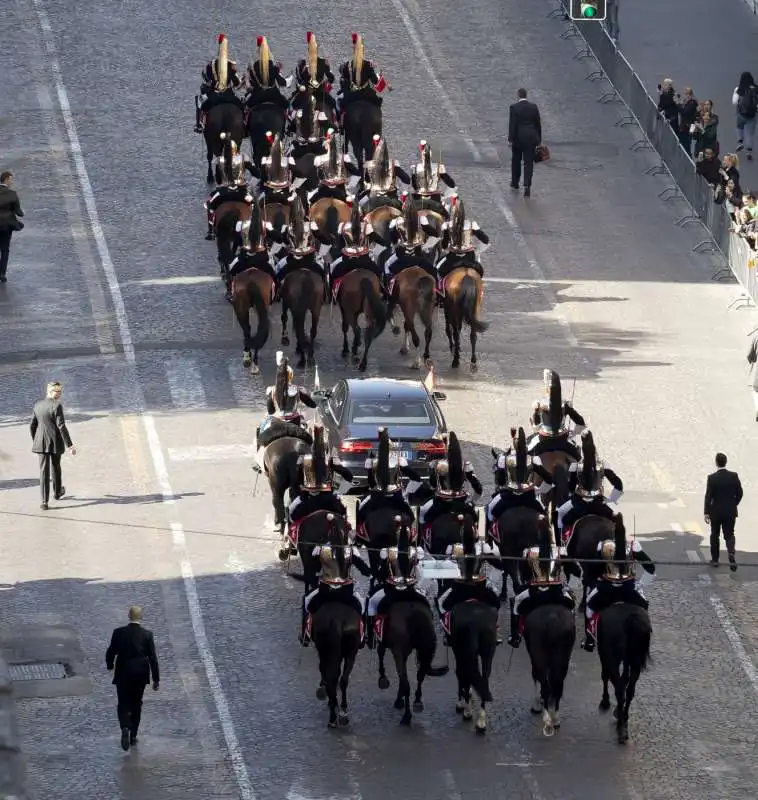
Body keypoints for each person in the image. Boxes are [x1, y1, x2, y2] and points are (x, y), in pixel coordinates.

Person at [582, 523, 650, 652]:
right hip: (629, 589)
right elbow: (651, 568)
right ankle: (646, 634)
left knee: (589, 608)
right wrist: (641, 584)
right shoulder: (633, 546)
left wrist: (594, 581)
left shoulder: (602, 546)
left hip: (606, 588)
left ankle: (589, 641)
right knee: (644, 606)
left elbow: (595, 568)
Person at [301, 525, 370, 645]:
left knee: (306, 602)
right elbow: (364, 570)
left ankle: (305, 635)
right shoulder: (350, 550)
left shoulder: (320, 549)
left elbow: (313, 568)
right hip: (346, 592)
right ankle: (363, 636)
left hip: (325, 591)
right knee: (362, 607)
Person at [365, 519, 428, 649]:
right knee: (426, 607)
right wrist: (419, 586)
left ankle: (370, 638)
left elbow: (381, 573)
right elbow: (420, 572)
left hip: (391, 590)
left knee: (371, 603)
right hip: (411, 589)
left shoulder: (386, 552)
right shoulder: (417, 551)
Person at [105, 606, 159, 751]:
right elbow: (153, 658)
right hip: (140, 674)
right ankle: (133, 735)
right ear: (140, 617)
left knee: (122, 703)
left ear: (128, 616)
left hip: (123, 673)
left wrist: (110, 665)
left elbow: (111, 651)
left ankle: (124, 727)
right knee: (136, 703)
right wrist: (156, 679)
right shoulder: (147, 635)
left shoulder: (118, 633)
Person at [508, 534, 574, 649]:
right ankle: (573, 634)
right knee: (571, 604)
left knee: (517, 602)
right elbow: (571, 567)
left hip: (535, 589)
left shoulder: (529, 552)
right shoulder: (560, 550)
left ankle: (515, 636)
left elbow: (524, 574)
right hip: (556, 589)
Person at [253, 352, 316, 473]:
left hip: (277, 423)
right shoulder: (298, 390)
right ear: (291, 376)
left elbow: (270, 410)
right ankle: (310, 460)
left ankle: (259, 460)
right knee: (310, 438)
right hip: (295, 423)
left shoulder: (272, 390)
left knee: (260, 431)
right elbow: (311, 404)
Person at [557, 430, 623, 541]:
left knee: (561, 515)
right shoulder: (603, 465)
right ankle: (619, 544)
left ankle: (561, 543)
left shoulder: (575, 466)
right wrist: (612, 499)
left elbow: (571, 487)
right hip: (599, 504)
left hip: (579, 504)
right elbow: (618, 484)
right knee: (616, 519)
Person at [355, 427, 420, 535]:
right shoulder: (399, 460)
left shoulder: (373, 462)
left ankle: (359, 534)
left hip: (377, 495)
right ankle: (412, 533)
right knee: (411, 514)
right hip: (396, 494)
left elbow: (371, 483)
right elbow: (416, 478)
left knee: (361, 509)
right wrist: (408, 491)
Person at [486, 427, 553, 527]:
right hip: (529, 497)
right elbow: (549, 479)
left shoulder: (505, 459)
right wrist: (540, 490)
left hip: (508, 496)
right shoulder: (533, 459)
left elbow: (500, 481)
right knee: (544, 518)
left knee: (489, 511)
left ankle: (487, 539)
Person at [418, 431, 482, 530]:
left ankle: (422, 540)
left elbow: (433, 485)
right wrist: (472, 502)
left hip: (440, 503)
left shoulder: (435, 464)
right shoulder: (465, 464)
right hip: (460, 502)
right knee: (476, 519)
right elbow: (478, 488)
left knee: (422, 514)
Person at [289, 426, 351, 527]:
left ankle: (290, 538)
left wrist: (300, 486)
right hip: (328, 496)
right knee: (342, 514)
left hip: (307, 496)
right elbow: (348, 475)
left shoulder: (302, 459)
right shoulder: (331, 459)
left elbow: (296, 479)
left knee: (291, 511)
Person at [30, 381, 76, 510]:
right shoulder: (57, 406)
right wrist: (70, 445)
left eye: (60, 391)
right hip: (55, 442)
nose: (59, 393)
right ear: (50, 392)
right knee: (56, 467)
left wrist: (36, 440)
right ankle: (57, 493)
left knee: (43, 471)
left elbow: (32, 425)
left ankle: (44, 502)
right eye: (57, 391)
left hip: (40, 442)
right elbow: (61, 426)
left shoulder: (37, 405)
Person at [336, 33, 391, 131]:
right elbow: (375, 81)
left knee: (339, 102)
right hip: (367, 94)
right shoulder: (368, 65)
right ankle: (377, 126)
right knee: (378, 102)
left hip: (352, 95)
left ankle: (341, 125)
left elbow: (344, 80)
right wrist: (380, 76)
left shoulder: (347, 65)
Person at [527, 369, 585, 458]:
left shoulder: (540, 405)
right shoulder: (565, 406)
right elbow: (581, 422)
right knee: (579, 459)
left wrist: (535, 412)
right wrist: (572, 435)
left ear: (546, 390)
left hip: (543, 442)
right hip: (562, 441)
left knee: (526, 455)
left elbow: (536, 426)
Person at [329, 201, 384, 294]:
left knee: (332, 269)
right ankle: (383, 291)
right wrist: (375, 251)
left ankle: (332, 293)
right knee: (379, 272)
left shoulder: (342, 226)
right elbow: (380, 241)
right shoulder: (367, 226)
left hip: (346, 260)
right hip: (365, 260)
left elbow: (339, 245)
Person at [204, 143, 255, 241]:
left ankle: (210, 232)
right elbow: (254, 172)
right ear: (236, 149)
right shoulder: (243, 158)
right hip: (241, 192)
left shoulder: (220, 160)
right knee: (254, 204)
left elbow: (218, 180)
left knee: (210, 204)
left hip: (224, 192)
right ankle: (254, 227)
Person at [195, 34, 244, 133]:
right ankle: (244, 126)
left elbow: (207, 82)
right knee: (242, 107)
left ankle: (199, 125)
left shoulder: (210, 65)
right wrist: (242, 81)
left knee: (199, 101)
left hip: (214, 96)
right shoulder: (231, 65)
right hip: (229, 96)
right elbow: (237, 84)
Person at [384, 194, 438, 283]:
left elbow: (392, 238)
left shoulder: (396, 221)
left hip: (401, 256)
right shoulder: (422, 219)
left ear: (403, 208)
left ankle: (388, 290)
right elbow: (433, 233)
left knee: (387, 266)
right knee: (434, 269)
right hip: (418, 255)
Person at [435, 194, 489, 283]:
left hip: (453, 258)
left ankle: (440, 289)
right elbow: (485, 240)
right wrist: (477, 250)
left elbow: (444, 246)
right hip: (469, 257)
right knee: (479, 275)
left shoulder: (448, 226)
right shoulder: (472, 224)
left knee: (437, 268)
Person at [273, 196, 325, 286]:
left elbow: (284, 243)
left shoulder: (286, 227)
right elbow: (324, 240)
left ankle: (276, 297)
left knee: (276, 273)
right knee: (324, 276)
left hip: (291, 261)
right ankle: (328, 296)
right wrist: (321, 253)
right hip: (310, 260)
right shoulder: (311, 225)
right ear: (304, 210)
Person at [704, 452, 743, 571]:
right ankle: (731, 553)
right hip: (730, 511)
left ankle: (715, 560)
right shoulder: (733, 476)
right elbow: (740, 493)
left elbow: (708, 496)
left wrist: (706, 512)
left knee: (715, 535)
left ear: (716, 463)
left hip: (715, 512)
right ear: (726, 462)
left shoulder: (712, 478)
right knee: (729, 534)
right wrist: (733, 504)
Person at [226, 209, 277, 295]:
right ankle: (275, 292)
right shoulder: (266, 224)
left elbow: (237, 240)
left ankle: (230, 291)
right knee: (274, 273)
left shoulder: (241, 224)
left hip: (244, 258)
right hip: (262, 259)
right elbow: (277, 237)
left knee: (231, 270)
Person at [291, 32, 336, 120]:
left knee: (293, 105)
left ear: (308, 49)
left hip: (306, 94)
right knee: (333, 104)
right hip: (320, 93)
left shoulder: (303, 63)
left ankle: (291, 127)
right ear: (317, 49)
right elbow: (331, 79)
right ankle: (336, 124)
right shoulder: (323, 62)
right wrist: (325, 79)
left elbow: (300, 81)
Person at [308, 129, 358, 206]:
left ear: (326, 147)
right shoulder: (344, 158)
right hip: (340, 191)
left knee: (310, 201)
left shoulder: (318, 159)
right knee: (353, 206)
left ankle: (307, 217)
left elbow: (313, 176)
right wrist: (350, 186)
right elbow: (356, 174)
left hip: (323, 191)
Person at [358, 137, 410, 211]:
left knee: (361, 209)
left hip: (374, 199)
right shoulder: (393, 165)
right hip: (391, 199)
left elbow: (366, 181)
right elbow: (407, 180)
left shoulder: (368, 166)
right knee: (402, 211)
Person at [508, 88, 542, 197]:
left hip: (518, 139)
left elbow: (512, 125)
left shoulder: (514, 108)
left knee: (516, 161)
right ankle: (527, 185)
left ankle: (515, 182)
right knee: (528, 163)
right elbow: (538, 124)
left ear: (518, 95)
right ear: (526, 95)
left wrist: (510, 139)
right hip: (531, 138)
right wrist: (539, 139)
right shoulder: (533, 107)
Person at [245, 35, 292, 112]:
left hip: (258, 95)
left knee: (246, 108)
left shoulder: (255, 67)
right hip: (274, 94)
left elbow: (253, 83)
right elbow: (281, 82)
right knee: (287, 105)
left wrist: (250, 73)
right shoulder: (274, 67)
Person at [409, 139, 456, 217]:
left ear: (421, 154)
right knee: (446, 218)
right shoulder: (439, 167)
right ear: (431, 155)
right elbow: (451, 184)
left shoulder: (416, 168)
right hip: (435, 199)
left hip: (419, 200)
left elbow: (415, 186)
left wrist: (413, 174)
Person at [0, 171, 24, 283]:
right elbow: (18, 212)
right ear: (7, 180)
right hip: (6, 226)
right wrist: (21, 213)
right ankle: (2, 274)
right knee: (5, 250)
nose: (12, 181)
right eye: (11, 179)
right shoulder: (12, 194)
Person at [733, 72, 757, 162]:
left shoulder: (739, 89)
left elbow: (734, 102)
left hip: (741, 114)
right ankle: (749, 152)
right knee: (750, 134)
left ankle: (740, 141)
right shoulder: (755, 88)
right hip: (752, 115)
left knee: (739, 127)